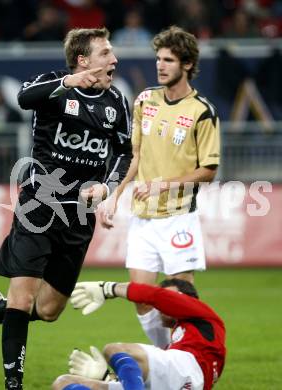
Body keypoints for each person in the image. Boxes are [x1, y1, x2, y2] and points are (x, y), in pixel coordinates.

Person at [0, 27, 132, 390]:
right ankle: (13, 384)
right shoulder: (52, 84)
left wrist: (107, 186)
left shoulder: (117, 102)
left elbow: (125, 152)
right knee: (23, 294)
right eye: (106, 53)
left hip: (79, 215)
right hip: (40, 204)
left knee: (48, 310)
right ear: (83, 59)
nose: (114, 59)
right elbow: (23, 97)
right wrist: (69, 81)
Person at [99, 25, 221, 350]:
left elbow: (208, 170)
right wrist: (115, 195)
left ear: (187, 65)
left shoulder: (202, 112)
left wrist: (162, 185)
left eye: (168, 59)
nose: (160, 65)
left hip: (178, 217)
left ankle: (191, 360)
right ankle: (169, 360)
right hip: (142, 218)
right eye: (158, 59)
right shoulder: (145, 101)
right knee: (141, 299)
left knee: (180, 298)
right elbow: (135, 156)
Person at [52, 278, 226, 390]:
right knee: (63, 383)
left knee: (115, 349)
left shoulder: (205, 316)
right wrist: (108, 377)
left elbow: (156, 296)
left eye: (172, 297)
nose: (163, 306)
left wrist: (109, 288)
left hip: (191, 373)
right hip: (183, 381)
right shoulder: (178, 342)